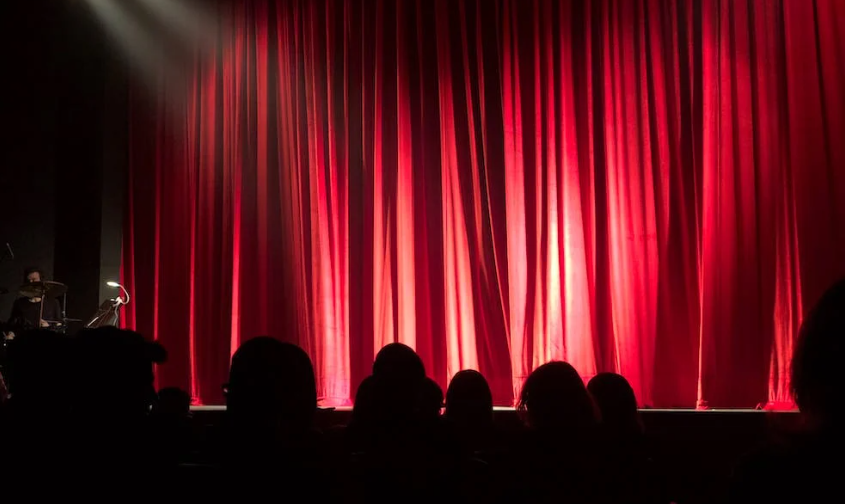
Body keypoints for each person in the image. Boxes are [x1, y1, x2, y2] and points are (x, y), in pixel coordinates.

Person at [7, 267, 62, 334]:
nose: (31, 283)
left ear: (42, 282)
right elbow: (12, 324)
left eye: (34, 280)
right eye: (28, 281)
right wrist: (11, 333)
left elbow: (59, 326)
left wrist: (48, 327)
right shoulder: (19, 303)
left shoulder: (53, 303)